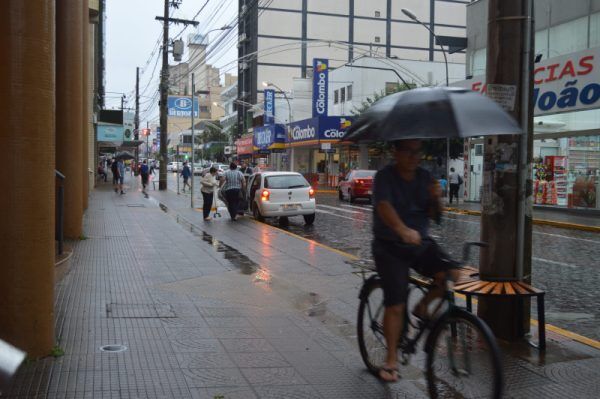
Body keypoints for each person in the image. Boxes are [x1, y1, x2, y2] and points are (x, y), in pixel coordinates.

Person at [372, 139, 456, 382]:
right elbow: (384, 207)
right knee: (395, 304)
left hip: (419, 243)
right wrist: (402, 230)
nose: (414, 156)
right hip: (390, 246)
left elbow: (437, 217)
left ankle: (422, 306)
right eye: (408, 151)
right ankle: (390, 360)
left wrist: (436, 199)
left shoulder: (425, 178)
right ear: (396, 152)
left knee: (452, 274)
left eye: (417, 152)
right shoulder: (384, 177)